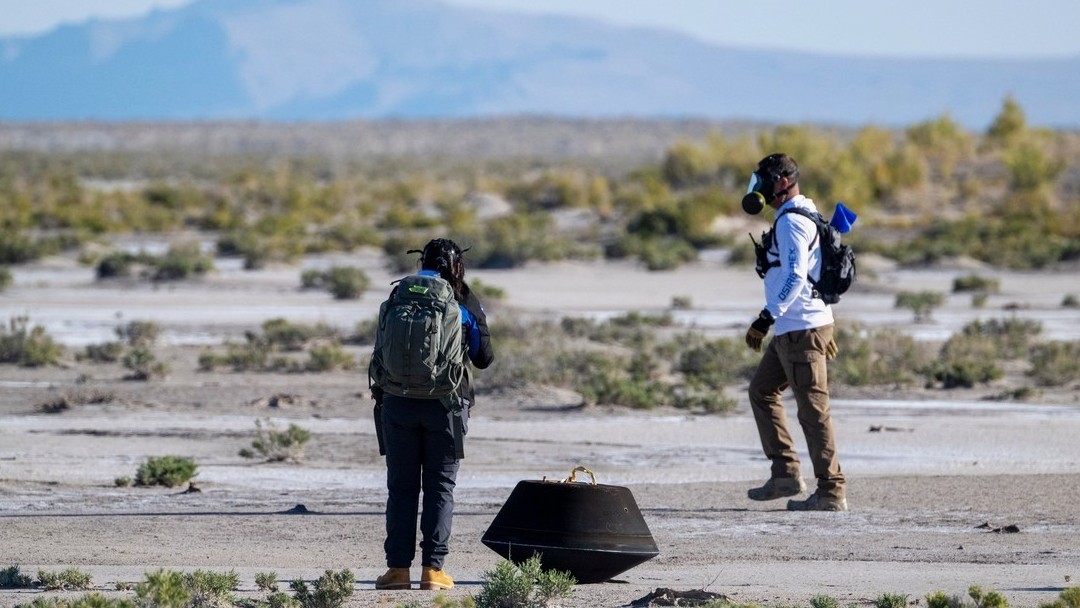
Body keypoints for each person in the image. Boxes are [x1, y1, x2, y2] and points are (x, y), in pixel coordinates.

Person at [372, 238, 495, 590]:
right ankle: (433, 570)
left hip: (396, 404)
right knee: (440, 487)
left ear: (421, 262)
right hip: (447, 408)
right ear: (457, 267)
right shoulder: (462, 303)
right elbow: (484, 358)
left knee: (401, 488)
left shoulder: (399, 296)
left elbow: (381, 350)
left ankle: (397, 571)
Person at [741, 153, 847, 512]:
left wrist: (765, 317)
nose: (759, 189)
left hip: (799, 328)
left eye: (765, 181)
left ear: (783, 182)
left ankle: (831, 490)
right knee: (762, 391)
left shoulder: (792, 223)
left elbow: (796, 275)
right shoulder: (796, 215)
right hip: (796, 327)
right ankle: (785, 474)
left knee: (813, 411)